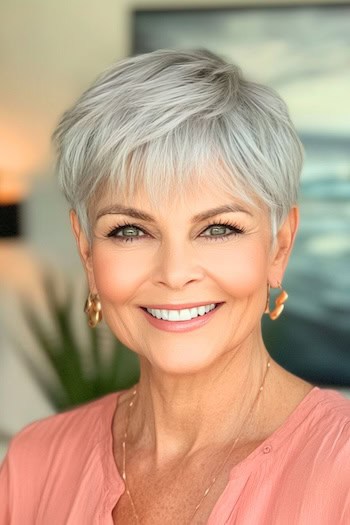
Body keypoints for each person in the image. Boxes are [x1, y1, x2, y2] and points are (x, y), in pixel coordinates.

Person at [0, 49, 349, 525]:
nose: (175, 271)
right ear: (86, 250)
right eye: (130, 230)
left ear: (278, 246)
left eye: (218, 228)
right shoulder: (33, 465)